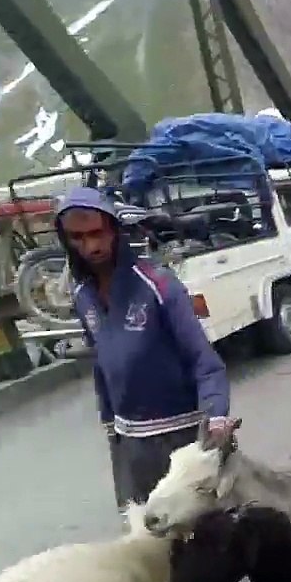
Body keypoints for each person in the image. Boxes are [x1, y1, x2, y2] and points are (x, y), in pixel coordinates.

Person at [55, 187, 231, 507]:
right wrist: (110, 426)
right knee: (143, 525)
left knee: (208, 527)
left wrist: (216, 420)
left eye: (97, 233)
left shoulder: (158, 284)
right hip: (132, 442)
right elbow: (102, 363)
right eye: (77, 237)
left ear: (114, 230)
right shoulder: (82, 295)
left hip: (184, 439)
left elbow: (205, 362)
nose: (91, 246)